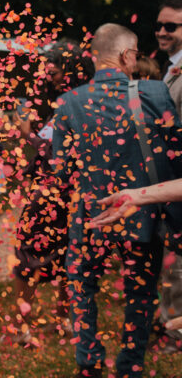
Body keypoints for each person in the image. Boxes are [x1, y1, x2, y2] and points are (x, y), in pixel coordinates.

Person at [52, 23, 181, 378]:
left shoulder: (68, 102)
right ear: (126, 55)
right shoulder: (156, 93)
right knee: (140, 295)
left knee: (83, 286)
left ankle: (88, 360)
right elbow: (176, 153)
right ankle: (129, 367)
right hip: (144, 211)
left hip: (92, 215)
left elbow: (60, 171)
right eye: (136, 54)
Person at [9, 40, 94, 345]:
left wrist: (26, 131)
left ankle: (50, 324)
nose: (49, 73)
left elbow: (52, 147)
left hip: (64, 191)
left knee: (54, 256)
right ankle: (37, 325)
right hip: (58, 192)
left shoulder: (78, 101)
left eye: (54, 68)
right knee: (45, 255)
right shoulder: (60, 99)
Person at [154, 0, 182, 350]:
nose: (161, 31)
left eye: (171, 26)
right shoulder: (170, 67)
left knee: (177, 260)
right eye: (159, 25)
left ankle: (175, 333)